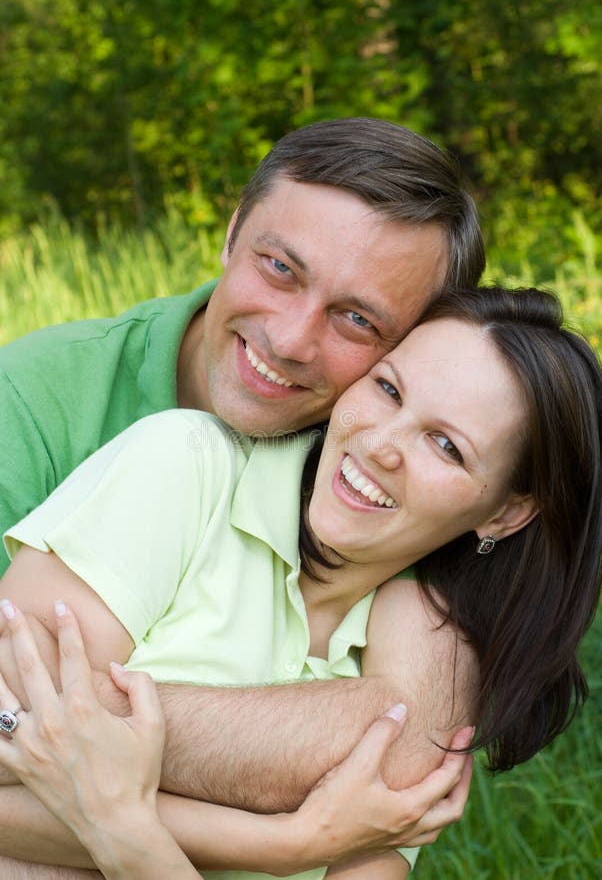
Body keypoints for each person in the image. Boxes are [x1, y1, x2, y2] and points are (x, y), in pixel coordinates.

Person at [0, 118, 485, 872]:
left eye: (357, 318)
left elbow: (406, 747)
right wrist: (289, 839)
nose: (291, 339)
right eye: (280, 268)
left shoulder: (380, 470)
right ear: (231, 236)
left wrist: (90, 727)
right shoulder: (31, 402)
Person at [0, 287, 599, 878]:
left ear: (506, 513)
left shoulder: (430, 668)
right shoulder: (187, 465)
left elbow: (31, 731)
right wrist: (288, 841)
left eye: (446, 447)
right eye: (387, 389)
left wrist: (128, 827)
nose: (380, 445)